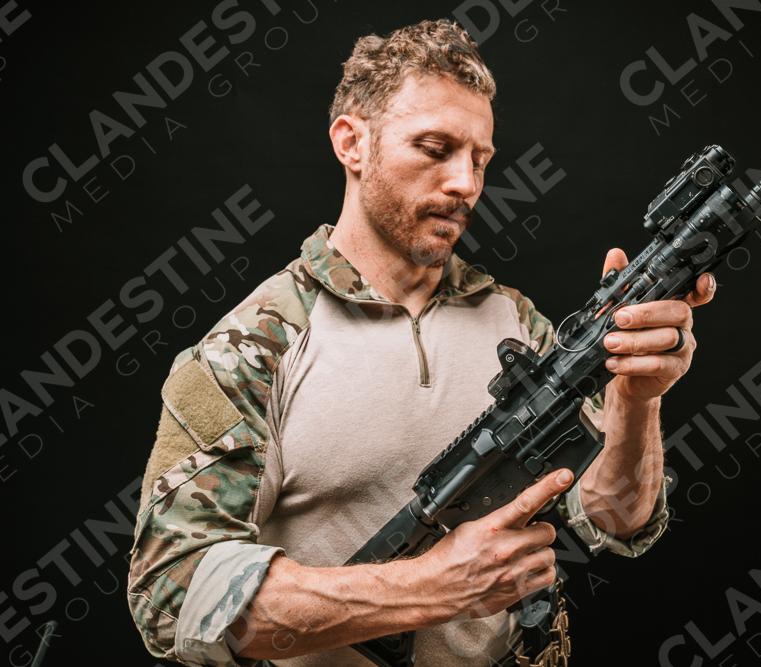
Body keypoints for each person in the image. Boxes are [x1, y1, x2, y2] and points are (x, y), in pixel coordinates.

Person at [126, 18, 716, 667]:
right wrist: (426, 589)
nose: (465, 183)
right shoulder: (252, 347)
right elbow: (171, 593)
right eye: (435, 149)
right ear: (352, 142)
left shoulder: (516, 321)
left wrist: (638, 397)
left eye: (480, 160)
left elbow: (616, 515)